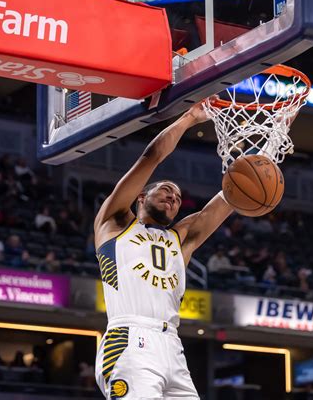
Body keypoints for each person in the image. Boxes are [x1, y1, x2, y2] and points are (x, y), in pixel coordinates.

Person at [93, 101, 233, 400]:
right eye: (166, 191)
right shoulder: (115, 222)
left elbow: (229, 199)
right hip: (130, 339)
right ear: (141, 197)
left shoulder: (179, 240)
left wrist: (262, 157)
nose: (173, 198)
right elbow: (151, 157)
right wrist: (189, 118)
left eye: (178, 198)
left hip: (172, 346)